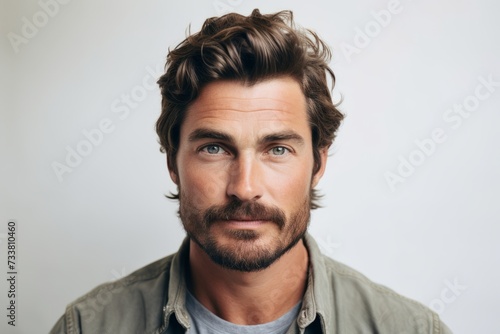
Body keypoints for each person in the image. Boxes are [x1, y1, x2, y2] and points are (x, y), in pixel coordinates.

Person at [50, 9, 452, 334]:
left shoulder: (411, 329)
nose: (245, 188)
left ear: (318, 164)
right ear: (173, 161)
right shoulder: (87, 327)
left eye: (277, 149)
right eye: (214, 148)